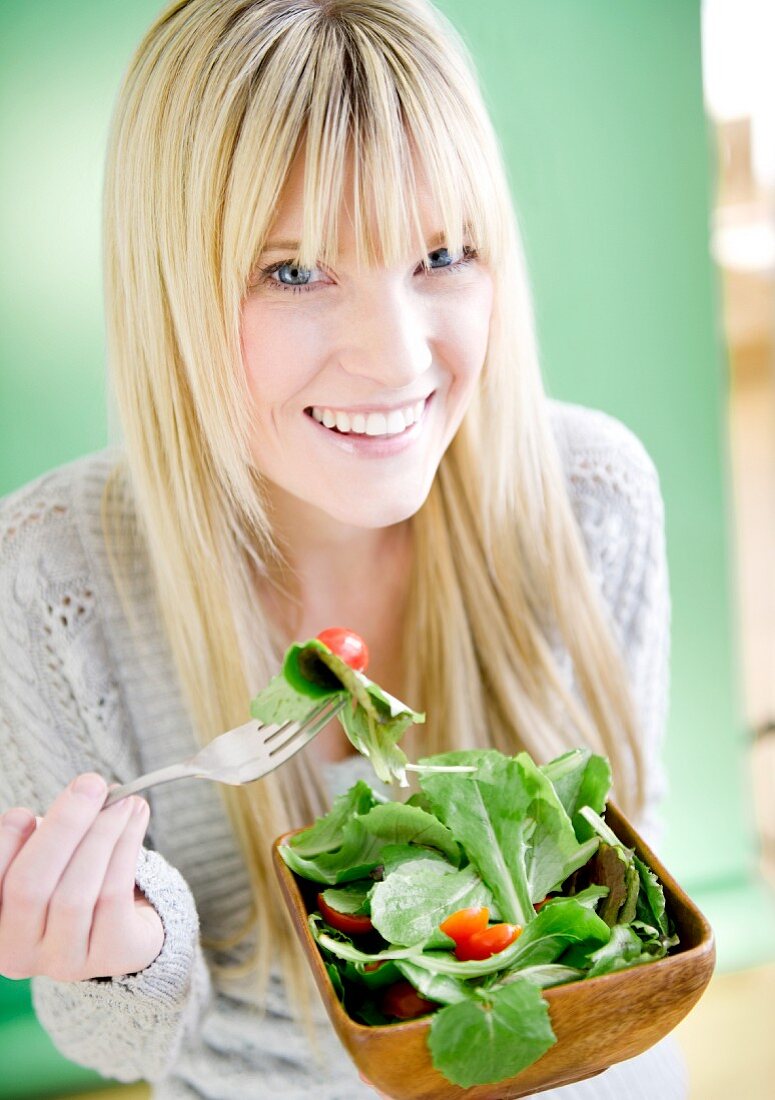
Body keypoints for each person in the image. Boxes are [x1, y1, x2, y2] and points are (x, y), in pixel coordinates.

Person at [0, 0, 688, 1096]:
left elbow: (626, 908)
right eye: (294, 271)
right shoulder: (50, 578)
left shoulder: (590, 495)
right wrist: (121, 951)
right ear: (169, 284)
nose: (394, 358)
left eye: (442, 254)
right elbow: (116, 1042)